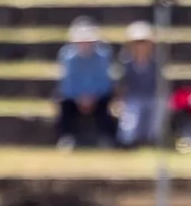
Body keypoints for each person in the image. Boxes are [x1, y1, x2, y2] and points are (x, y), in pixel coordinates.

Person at [55, 15, 116, 150]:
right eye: (81, 42)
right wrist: (79, 98)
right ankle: (66, 137)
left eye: (88, 41)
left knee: (105, 103)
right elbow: (66, 84)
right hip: (74, 98)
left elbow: (105, 82)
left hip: (97, 97)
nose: (85, 45)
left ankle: (106, 138)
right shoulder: (67, 57)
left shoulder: (103, 56)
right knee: (64, 103)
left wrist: (93, 97)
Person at [116, 21, 161, 150]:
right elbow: (121, 86)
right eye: (137, 43)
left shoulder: (156, 64)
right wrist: (119, 101)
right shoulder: (125, 64)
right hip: (132, 99)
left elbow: (160, 87)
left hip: (152, 98)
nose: (140, 47)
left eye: (143, 43)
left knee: (157, 111)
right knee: (130, 123)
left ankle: (153, 139)